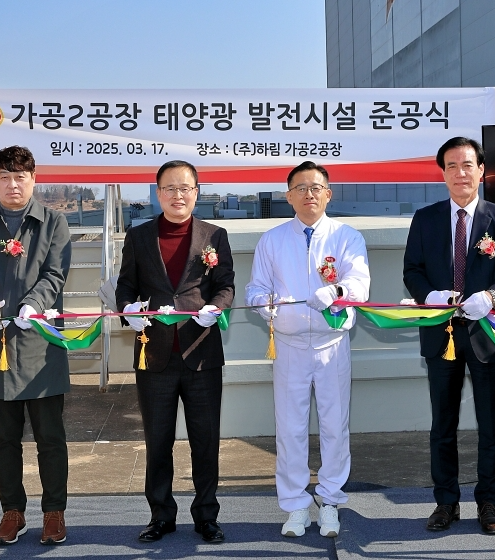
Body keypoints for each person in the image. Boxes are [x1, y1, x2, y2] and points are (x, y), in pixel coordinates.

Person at [403, 137, 495, 535]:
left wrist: (491, 296)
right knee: (443, 424)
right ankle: (445, 503)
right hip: (441, 333)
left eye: (467, 164)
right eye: (452, 166)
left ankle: (488, 504)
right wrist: (431, 296)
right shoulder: (425, 218)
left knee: (491, 425)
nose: (460, 172)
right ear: (442, 173)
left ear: (481, 170)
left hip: (487, 334)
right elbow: (413, 271)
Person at [245, 161, 371, 538]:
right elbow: (255, 289)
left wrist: (334, 292)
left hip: (333, 345)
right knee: (290, 428)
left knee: (335, 426)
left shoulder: (346, 236)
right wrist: (265, 304)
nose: (309, 194)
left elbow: (359, 286)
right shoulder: (272, 239)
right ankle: (296, 505)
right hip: (288, 346)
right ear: (288, 197)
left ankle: (330, 500)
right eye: (300, 188)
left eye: (316, 187)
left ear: (328, 194)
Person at [0, 146, 72, 546]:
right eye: (4, 176)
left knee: (50, 437)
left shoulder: (53, 222)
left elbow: (56, 272)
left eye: (20, 176)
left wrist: (34, 304)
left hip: (40, 346)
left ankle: (54, 512)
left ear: (33, 179)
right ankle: (12, 512)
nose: (13, 184)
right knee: (4, 439)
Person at [115, 160, 234, 544]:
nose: (177, 195)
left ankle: (206, 515)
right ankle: (161, 515)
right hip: (154, 355)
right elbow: (125, 286)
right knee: (158, 441)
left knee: (206, 439)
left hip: (201, 353)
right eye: (170, 188)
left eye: (185, 188)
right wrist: (129, 311)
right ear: (158, 192)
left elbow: (226, 285)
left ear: (196, 192)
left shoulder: (215, 235)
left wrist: (217, 307)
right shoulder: (139, 235)